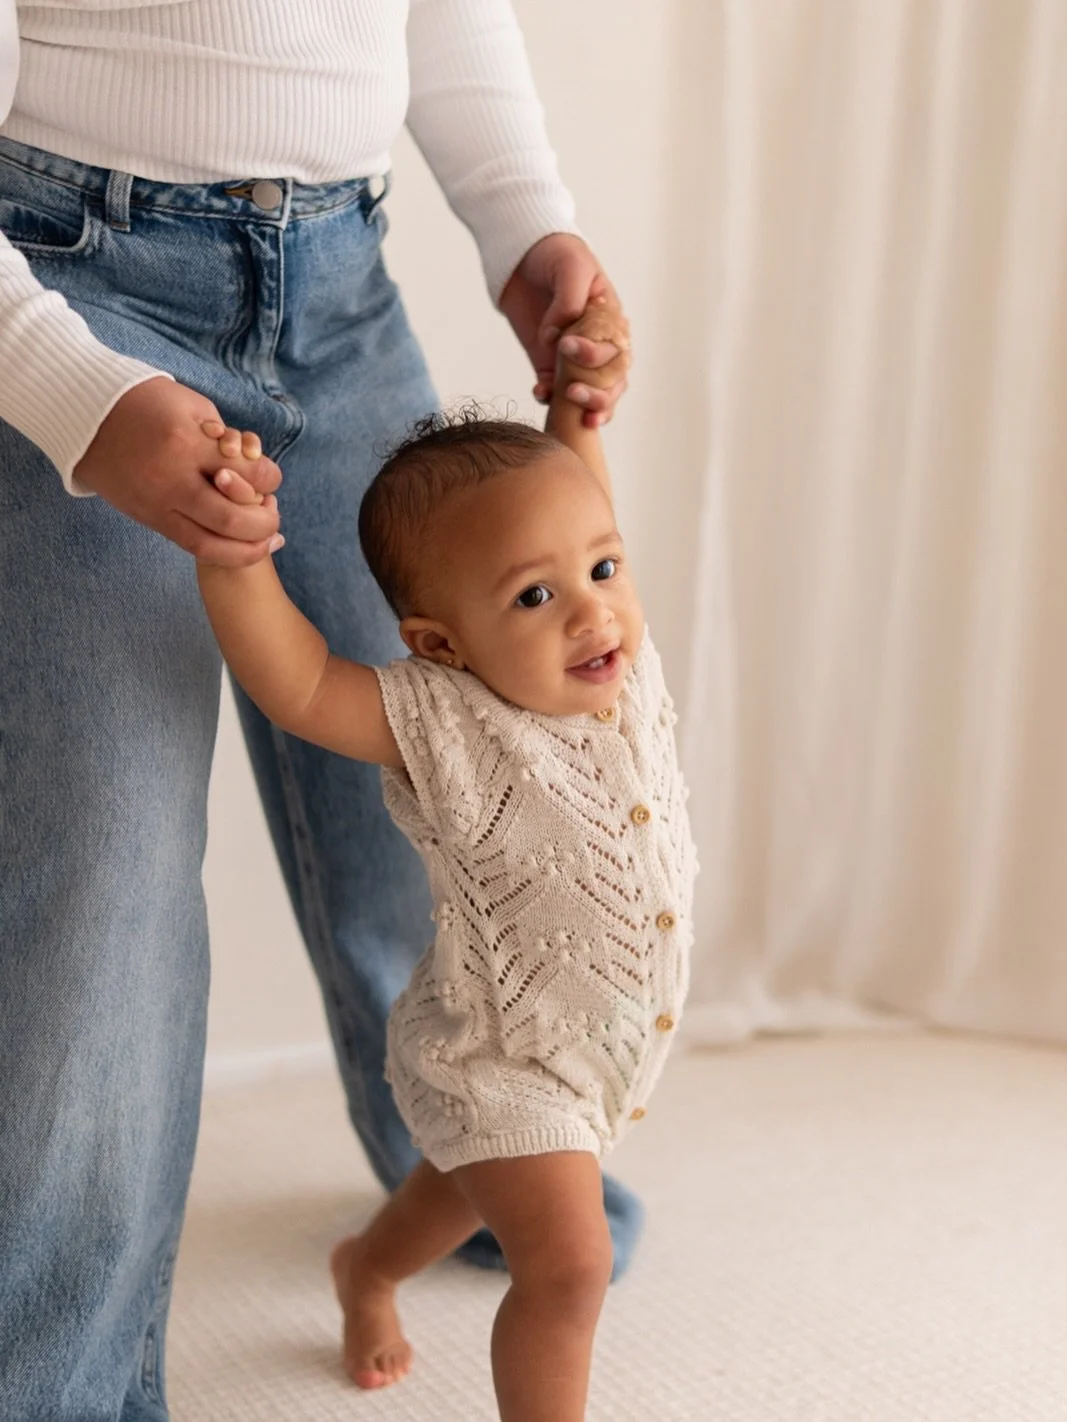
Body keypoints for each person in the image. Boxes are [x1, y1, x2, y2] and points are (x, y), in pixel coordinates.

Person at [0, 4, 635, 1420]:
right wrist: (76, 393)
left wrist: (524, 226)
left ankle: (483, 1162)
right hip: (63, 283)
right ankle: (59, 1384)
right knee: (101, 876)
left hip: (341, 283)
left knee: (452, 796)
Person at [195, 294, 696, 1421]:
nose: (590, 613)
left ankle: (365, 1268)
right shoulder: (447, 723)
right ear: (440, 646)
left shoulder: (615, 662)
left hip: (590, 1053)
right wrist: (234, 559)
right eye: (535, 596)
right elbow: (300, 685)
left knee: (460, 1192)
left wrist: (576, 411)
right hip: (498, 1057)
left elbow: (577, 511)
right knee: (565, 1267)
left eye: (604, 573)